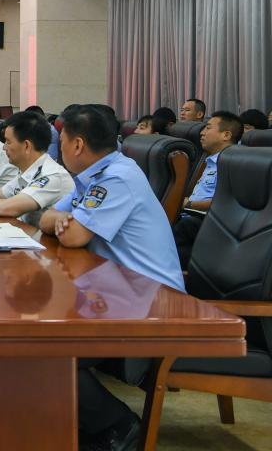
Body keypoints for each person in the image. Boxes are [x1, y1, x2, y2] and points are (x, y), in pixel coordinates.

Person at [39, 105, 184, 451]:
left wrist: (68, 224)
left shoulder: (117, 178)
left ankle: (119, 427)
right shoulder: (94, 174)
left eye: (62, 140)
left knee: (40, 347)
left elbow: (74, 236)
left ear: (77, 144)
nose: (59, 147)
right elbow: (47, 218)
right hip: (116, 292)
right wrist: (64, 221)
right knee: (34, 338)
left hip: (151, 302)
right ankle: (79, 424)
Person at [173, 111, 243, 267]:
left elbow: (226, 203)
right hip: (191, 217)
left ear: (226, 135)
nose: (202, 132)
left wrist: (188, 204)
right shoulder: (211, 160)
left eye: (208, 128)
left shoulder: (233, 162)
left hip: (209, 223)